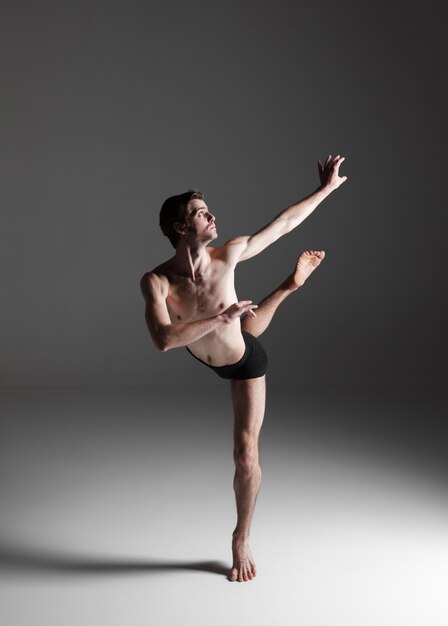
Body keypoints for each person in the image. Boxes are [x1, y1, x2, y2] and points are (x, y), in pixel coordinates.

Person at [140, 155, 347, 582]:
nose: (212, 215)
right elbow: (162, 340)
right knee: (240, 322)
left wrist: (325, 189)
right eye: (200, 213)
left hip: (244, 362)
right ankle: (275, 296)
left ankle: (241, 536)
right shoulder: (156, 282)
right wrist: (219, 318)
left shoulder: (229, 253)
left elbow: (283, 225)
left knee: (245, 455)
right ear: (180, 228)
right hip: (220, 334)